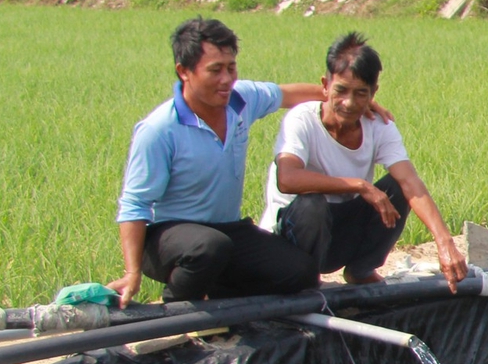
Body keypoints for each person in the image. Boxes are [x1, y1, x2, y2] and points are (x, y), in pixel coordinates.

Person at [109, 18, 327, 306]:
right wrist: (132, 272)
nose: (226, 79)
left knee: (301, 273)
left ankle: (218, 299)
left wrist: (340, 98)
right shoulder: (159, 129)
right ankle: (175, 309)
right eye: (215, 70)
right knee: (209, 247)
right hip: (168, 237)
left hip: (226, 230)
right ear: (184, 72)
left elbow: (288, 94)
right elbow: (135, 205)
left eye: (231, 68)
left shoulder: (240, 100)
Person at [261, 31, 467, 291]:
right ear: (325, 86)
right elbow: (288, 179)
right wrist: (360, 185)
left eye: (360, 93)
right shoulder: (301, 120)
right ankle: (305, 282)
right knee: (312, 204)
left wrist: (445, 242)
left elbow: (410, 181)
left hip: (339, 233)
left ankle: (361, 270)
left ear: (373, 93)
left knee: (397, 188)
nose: (349, 103)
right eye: (341, 90)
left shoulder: (378, 126)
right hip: (294, 239)